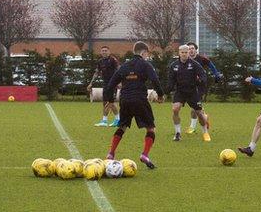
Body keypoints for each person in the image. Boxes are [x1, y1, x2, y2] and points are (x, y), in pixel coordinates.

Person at [104, 41, 165, 169]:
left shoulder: (124, 66)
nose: (147, 56)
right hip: (139, 100)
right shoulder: (146, 65)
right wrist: (160, 94)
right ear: (143, 53)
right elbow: (155, 80)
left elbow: (110, 85)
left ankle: (111, 153)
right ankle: (145, 154)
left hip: (125, 100)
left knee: (122, 126)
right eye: (146, 54)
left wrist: (110, 100)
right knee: (150, 128)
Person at [169, 45, 210, 142]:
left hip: (192, 92)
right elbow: (171, 80)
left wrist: (201, 82)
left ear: (188, 53)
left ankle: (205, 132)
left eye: (186, 52)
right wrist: (166, 90)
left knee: (199, 113)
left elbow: (203, 75)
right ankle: (178, 133)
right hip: (180, 91)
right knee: (175, 109)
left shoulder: (194, 64)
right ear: (179, 53)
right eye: (182, 52)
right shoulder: (174, 65)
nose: (184, 54)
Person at [185, 42, 219, 134]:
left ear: (196, 50)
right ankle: (204, 117)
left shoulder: (202, 59)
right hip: (190, 86)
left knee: (194, 108)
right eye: (189, 49)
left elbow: (211, 65)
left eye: (192, 48)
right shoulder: (185, 60)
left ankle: (192, 127)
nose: (191, 50)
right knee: (196, 108)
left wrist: (216, 74)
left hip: (200, 86)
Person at [87, 46, 121, 127]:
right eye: (103, 51)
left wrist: (119, 82)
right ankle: (116, 120)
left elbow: (119, 70)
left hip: (113, 84)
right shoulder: (100, 61)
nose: (104, 52)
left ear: (109, 52)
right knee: (106, 102)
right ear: (100, 52)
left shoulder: (113, 60)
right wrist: (91, 83)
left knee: (110, 102)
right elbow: (96, 72)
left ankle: (105, 121)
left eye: (106, 50)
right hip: (105, 84)